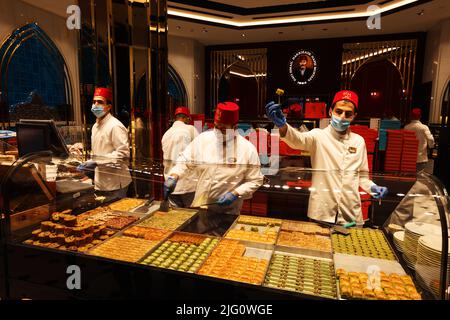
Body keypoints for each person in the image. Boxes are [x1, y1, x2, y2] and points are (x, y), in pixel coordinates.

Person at [265, 90, 388, 225]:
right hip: (321, 211)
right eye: (339, 111)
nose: (342, 117)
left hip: (349, 213)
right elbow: (297, 140)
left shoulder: (359, 141)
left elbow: (362, 177)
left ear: (354, 116)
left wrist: (374, 188)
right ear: (330, 111)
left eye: (348, 114)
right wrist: (282, 125)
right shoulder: (318, 136)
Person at [164, 102, 264, 218]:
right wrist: (174, 175)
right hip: (200, 207)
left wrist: (236, 193)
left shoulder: (247, 149)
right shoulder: (203, 139)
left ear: (234, 127)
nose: (218, 131)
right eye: (216, 126)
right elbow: (185, 160)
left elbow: (256, 180)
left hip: (228, 212)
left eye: (223, 128)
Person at [77, 87, 131, 199]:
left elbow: (123, 154)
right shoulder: (95, 127)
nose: (95, 105)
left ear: (109, 107)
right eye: (94, 102)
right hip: (100, 182)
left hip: (115, 183)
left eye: (100, 102)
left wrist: (96, 162)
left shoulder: (115, 126)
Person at [161, 106, 199, 208]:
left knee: (176, 218)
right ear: (186, 118)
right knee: (192, 216)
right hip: (188, 183)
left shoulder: (166, 133)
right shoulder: (191, 129)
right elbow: (198, 153)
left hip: (170, 182)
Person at [404, 108, 435, 173]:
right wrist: (431, 146)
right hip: (421, 158)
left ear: (411, 116)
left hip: (408, 158)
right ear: (420, 116)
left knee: (409, 178)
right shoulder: (424, 127)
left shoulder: (406, 127)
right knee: (419, 179)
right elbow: (430, 139)